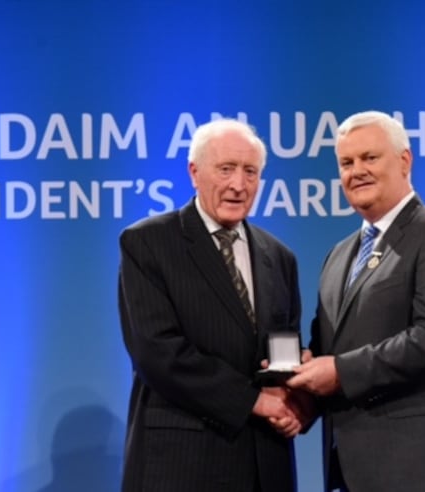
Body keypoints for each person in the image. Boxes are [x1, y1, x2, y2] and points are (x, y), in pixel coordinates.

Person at [287, 111, 425, 492]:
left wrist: (341, 372)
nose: (356, 171)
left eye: (369, 158)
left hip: (424, 470)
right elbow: (328, 348)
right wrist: (297, 374)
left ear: (404, 161)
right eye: (346, 163)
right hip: (352, 472)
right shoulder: (338, 255)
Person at [117, 118, 306, 492]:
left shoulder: (279, 256)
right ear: (194, 172)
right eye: (226, 169)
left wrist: (293, 398)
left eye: (250, 172)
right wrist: (254, 401)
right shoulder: (148, 243)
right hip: (184, 463)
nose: (239, 185)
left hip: (265, 465)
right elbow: (158, 353)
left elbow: (282, 349)